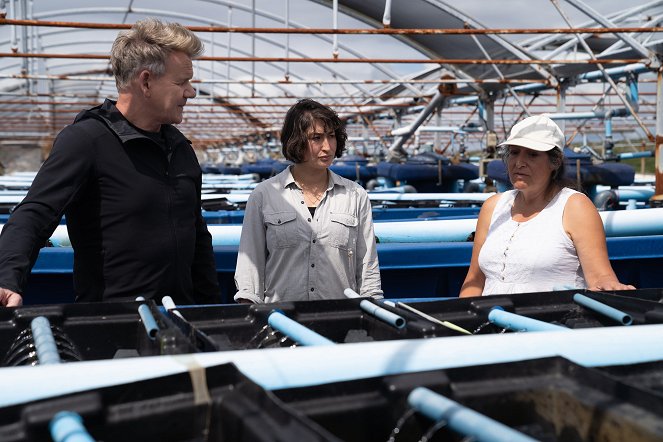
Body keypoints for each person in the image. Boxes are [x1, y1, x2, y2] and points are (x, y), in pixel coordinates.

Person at [0, 18, 220, 307]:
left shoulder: (180, 148)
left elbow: (196, 235)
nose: (190, 92)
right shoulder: (87, 140)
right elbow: (35, 213)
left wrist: (212, 311)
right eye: (181, 82)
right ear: (145, 81)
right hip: (115, 326)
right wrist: (6, 278)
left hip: (181, 318)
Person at [459, 114, 635, 297]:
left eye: (533, 154)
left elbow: (600, 276)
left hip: (552, 321)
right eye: (514, 152)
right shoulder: (493, 207)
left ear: (555, 161)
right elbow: (474, 280)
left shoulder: (574, 207)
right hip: (488, 321)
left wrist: (610, 285)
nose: (519, 162)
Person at [234, 99, 383, 303]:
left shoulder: (355, 195)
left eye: (331, 137)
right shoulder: (264, 195)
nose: (327, 146)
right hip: (281, 320)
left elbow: (368, 269)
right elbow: (249, 269)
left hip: (341, 320)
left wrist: (373, 310)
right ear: (295, 140)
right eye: (316, 138)